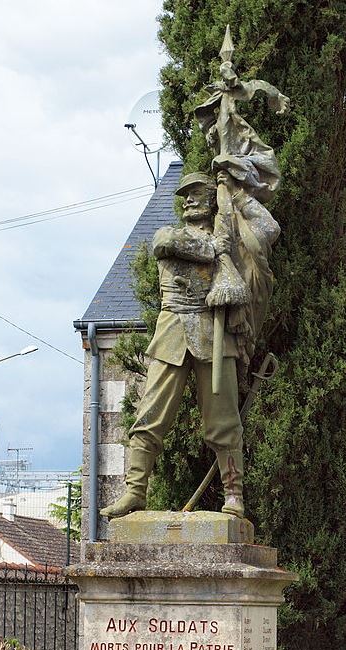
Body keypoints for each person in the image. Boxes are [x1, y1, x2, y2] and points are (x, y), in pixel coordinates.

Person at [101, 171, 249, 520]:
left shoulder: (229, 245)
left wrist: (222, 246)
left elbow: (238, 265)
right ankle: (135, 491)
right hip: (171, 332)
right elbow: (163, 244)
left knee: (224, 422)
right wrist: (213, 249)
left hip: (214, 337)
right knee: (149, 416)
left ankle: (234, 495)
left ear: (212, 200)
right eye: (186, 195)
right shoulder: (173, 234)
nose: (190, 199)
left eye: (198, 193)